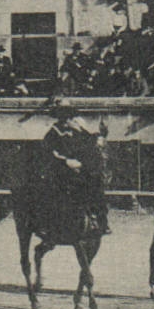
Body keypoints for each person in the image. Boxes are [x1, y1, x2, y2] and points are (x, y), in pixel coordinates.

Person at [43, 101, 108, 235]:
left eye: (71, 116)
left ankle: (99, 219)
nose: (70, 120)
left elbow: (90, 140)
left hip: (79, 169)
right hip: (62, 170)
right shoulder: (53, 133)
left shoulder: (77, 131)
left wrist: (98, 137)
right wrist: (66, 162)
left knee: (96, 181)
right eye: (66, 117)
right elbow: (48, 154)